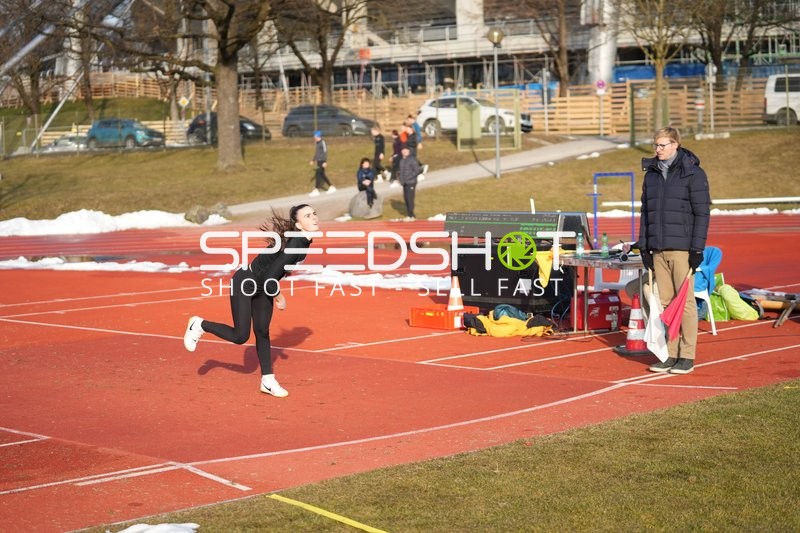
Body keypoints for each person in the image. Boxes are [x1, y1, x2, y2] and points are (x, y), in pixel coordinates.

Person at [183, 204, 320, 397]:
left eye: (314, 213)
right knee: (240, 336)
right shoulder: (295, 245)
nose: (314, 217)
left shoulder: (302, 241)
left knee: (262, 331)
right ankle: (199, 324)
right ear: (298, 224)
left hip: (262, 286)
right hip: (246, 283)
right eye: (308, 216)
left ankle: (267, 380)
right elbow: (269, 279)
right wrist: (280, 298)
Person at [637, 126, 710, 375]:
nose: (657, 149)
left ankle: (687, 355)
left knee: (685, 303)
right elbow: (646, 214)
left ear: (675, 145)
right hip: (658, 248)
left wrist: (696, 249)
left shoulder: (693, 173)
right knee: (666, 303)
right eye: (655, 145)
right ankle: (671, 353)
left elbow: (702, 213)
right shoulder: (652, 175)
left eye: (662, 145)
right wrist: (644, 246)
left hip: (681, 248)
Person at [397, 146, 421, 220]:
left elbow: (417, 170)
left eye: (406, 150)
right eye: (403, 150)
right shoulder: (401, 160)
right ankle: (409, 214)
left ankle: (412, 215)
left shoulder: (412, 159)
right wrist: (400, 179)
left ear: (409, 151)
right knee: (406, 198)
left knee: (410, 198)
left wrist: (408, 178)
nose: (404, 152)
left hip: (411, 182)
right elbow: (400, 172)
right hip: (404, 183)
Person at [309, 131, 336, 197]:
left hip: (322, 161)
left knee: (319, 174)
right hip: (318, 161)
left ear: (318, 136)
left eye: (315, 136)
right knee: (321, 175)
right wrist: (313, 160)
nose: (314, 137)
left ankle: (316, 189)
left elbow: (325, 152)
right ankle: (331, 187)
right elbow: (317, 153)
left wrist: (325, 161)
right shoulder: (317, 143)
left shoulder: (322, 142)